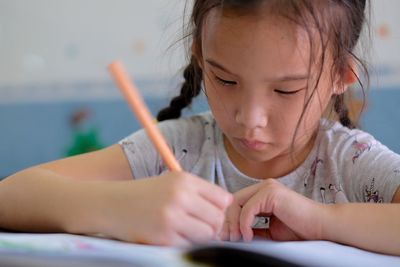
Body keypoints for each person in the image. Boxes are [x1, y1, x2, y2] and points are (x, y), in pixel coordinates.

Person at [1, 0, 399, 256]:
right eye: (225, 81)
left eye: (285, 89)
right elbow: (9, 196)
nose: (249, 118)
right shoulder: (177, 149)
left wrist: (320, 220)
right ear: (201, 57)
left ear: (339, 78)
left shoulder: (350, 161)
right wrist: (117, 207)